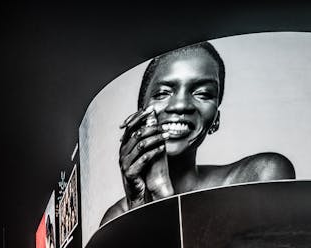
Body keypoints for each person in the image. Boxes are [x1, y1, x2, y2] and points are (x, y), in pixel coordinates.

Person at [101, 41, 295, 226]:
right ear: (139, 113)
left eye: (202, 93)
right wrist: (140, 206)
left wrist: (162, 198)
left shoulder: (259, 175)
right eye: (162, 93)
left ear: (215, 120)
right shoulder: (118, 214)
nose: (180, 105)